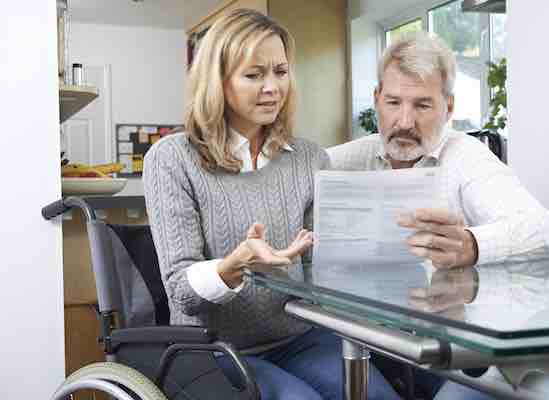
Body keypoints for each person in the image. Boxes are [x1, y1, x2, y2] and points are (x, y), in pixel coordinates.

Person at [143, 9, 405, 400]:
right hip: (211, 347)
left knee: (377, 396)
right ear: (219, 81)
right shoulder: (172, 158)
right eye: (254, 75)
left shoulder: (309, 158)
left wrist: (381, 245)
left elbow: (329, 269)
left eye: (280, 72)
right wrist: (236, 265)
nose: (272, 88)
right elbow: (181, 292)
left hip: (298, 337)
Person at [327, 31, 549, 399]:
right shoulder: (347, 160)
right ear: (377, 100)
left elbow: (546, 231)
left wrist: (470, 243)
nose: (404, 121)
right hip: (387, 341)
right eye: (393, 102)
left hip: (473, 354)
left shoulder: (466, 157)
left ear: (448, 107)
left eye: (422, 105)